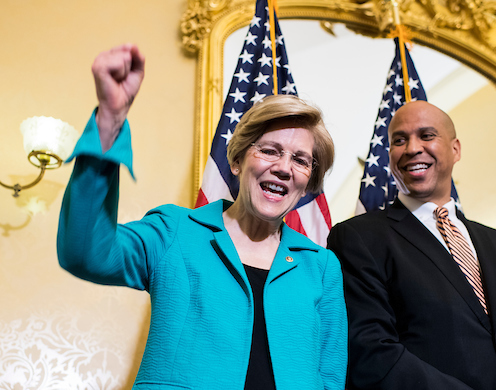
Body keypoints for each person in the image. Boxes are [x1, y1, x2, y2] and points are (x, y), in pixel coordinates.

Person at [57, 44, 347, 390]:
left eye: (301, 160)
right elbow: (85, 252)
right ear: (237, 162)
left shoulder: (322, 266)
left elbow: (330, 379)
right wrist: (110, 120)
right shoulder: (173, 231)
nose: (284, 168)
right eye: (269, 150)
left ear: (307, 184)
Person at [327, 100, 496, 390]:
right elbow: (371, 350)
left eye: (427, 135)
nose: (413, 148)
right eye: (399, 140)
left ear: (455, 149)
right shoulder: (358, 238)